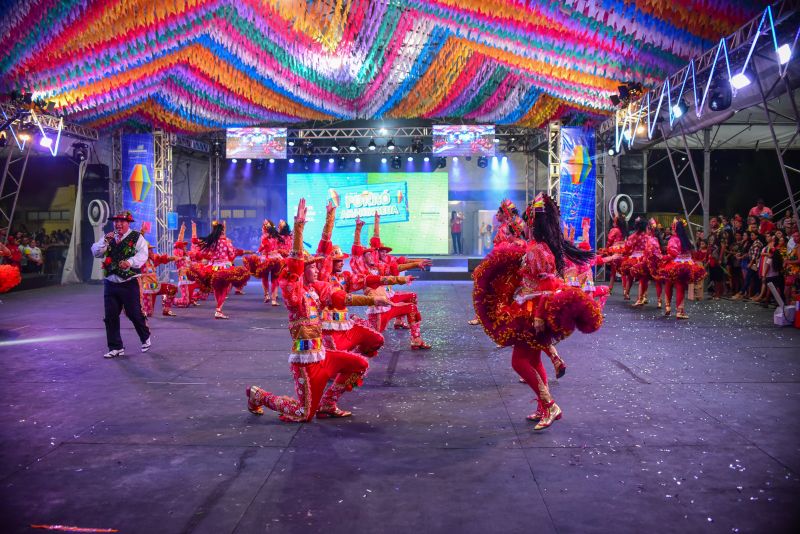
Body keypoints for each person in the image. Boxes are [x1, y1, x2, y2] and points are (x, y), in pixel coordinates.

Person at [246, 199, 392, 421]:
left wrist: (373, 302)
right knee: (303, 414)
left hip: (323, 355)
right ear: (302, 271)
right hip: (305, 362)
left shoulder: (318, 290)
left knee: (359, 364)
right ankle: (258, 395)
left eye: (315, 266)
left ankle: (328, 403)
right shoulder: (293, 294)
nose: (316, 269)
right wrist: (298, 228)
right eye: (311, 266)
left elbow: (343, 295)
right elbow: (294, 268)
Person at [472, 193, 600, 430]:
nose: (524, 224)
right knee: (532, 358)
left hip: (532, 312)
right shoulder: (537, 248)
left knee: (519, 362)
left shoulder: (538, 251)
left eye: (528, 220)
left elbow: (547, 286)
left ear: (532, 222)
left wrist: (540, 314)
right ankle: (544, 407)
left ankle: (550, 405)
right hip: (528, 307)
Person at [90, 211, 151, 359]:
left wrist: (129, 262)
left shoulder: (136, 237)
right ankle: (115, 347)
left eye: (121, 221)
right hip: (111, 282)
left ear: (128, 223)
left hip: (128, 282)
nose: (118, 224)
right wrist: (104, 241)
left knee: (133, 313)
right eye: (116, 221)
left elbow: (143, 255)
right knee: (110, 316)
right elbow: (96, 252)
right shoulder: (108, 237)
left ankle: (145, 336)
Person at [659, 218, 706, 319]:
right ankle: (680, 311)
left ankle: (667, 307)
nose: (671, 231)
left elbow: (672, 254)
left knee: (668, 284)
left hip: (673, 266)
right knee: (680, 287)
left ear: (675, 230)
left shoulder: (673, 240)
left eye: (672, 229)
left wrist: (662, 258)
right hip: (686, 266)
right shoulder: (686, 240)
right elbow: (692, 254)